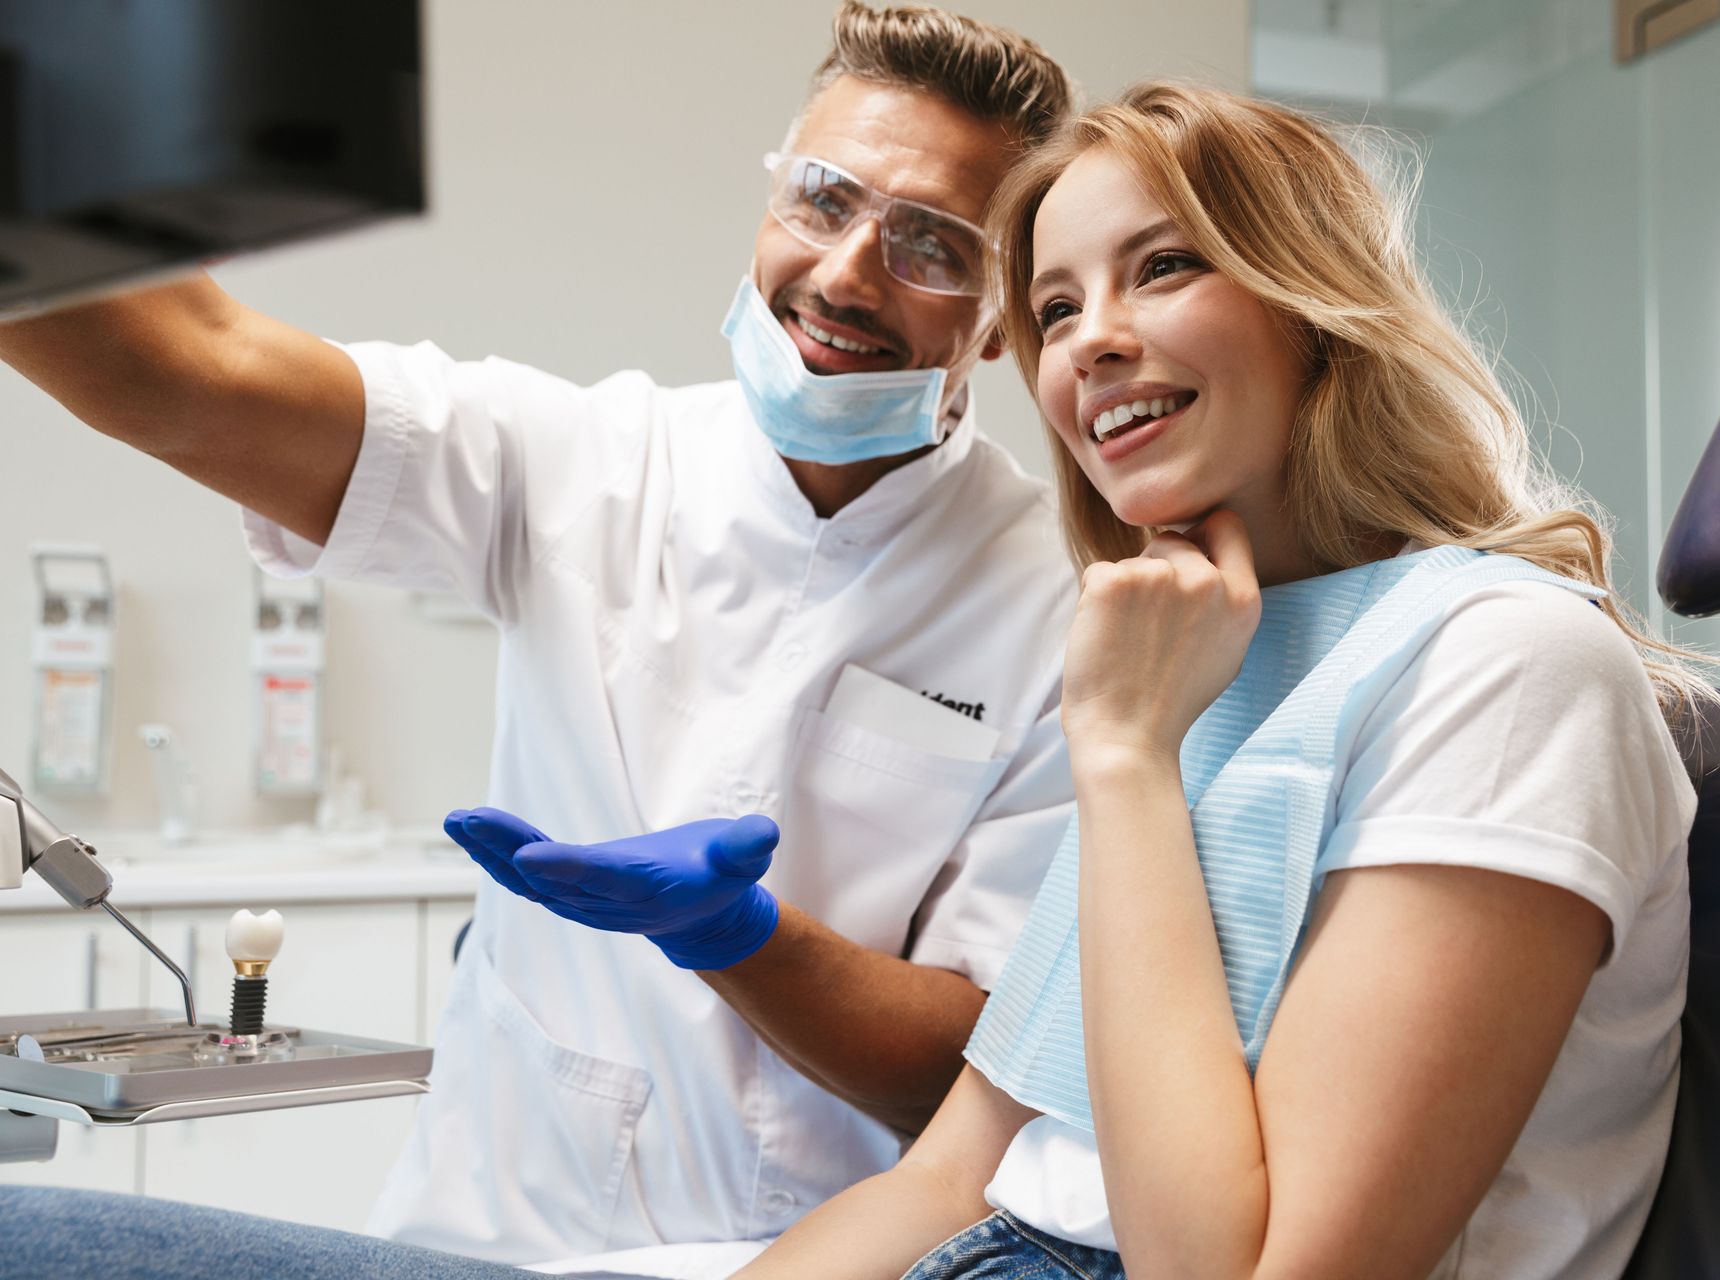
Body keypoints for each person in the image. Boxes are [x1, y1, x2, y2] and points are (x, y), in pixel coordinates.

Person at [0, 5, 1080, 1272]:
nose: (848, 271)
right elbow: (195, 371)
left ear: (1004, 318)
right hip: (484, 1233)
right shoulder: (576, 463)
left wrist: (742, 934)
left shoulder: (1056, 601)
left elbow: (972, 1083)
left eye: (931, 245)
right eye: (823, 199)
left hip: (806, 1253)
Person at [726, 82, 1715, 1280]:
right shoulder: (1192, 659)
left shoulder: (1506, 663)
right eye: (1055, 306)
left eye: (1163, 267)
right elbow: (949, 1174)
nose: (1088, 337)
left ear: (1313, 304)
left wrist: (1127, 759)